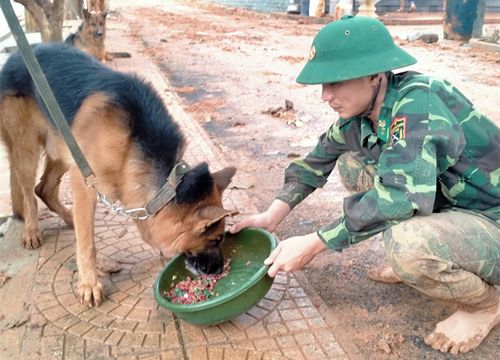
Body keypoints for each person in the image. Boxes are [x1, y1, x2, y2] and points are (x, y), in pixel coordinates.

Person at [230, 15, 500, 355]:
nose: (325, 96)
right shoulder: (361, 115)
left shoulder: (417, 105)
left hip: (491, 218)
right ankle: (439, 248)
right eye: (322, 84)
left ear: (374, 74)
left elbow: (399, 198)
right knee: (353, 165)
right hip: (454, 206)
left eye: (336, 82)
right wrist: (272, 215)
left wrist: (316, 242)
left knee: (408, 246)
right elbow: (316, 162)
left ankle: (486, 304)